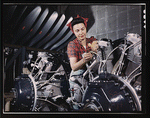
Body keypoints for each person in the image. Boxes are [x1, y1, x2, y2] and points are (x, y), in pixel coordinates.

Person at [67, 15, 99, 109]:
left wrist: (95, 47)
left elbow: (96, 45)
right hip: (77, 77)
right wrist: (84, 60)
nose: (81, 33)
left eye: (82, 29)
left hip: (91, 75)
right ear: (74, 32)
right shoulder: (72, 45)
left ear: (86, 28)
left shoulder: (92, 40)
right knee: (78, 105)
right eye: (77, 31)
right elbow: (73, 67)